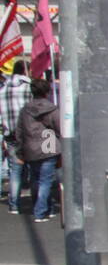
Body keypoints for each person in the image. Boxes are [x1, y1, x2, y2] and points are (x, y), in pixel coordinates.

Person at [16, 77, 59, 223]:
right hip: (49, 146)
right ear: (47, 92)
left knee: (35, 179)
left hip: (30, 148)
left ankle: (46, 207)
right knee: (46, 180)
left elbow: (19, 132)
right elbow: (60, 129)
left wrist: (19, 152)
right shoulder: (52, 109)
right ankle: (41, 211)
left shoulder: (25, 110)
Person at [1, 59, 31, 213]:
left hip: (10, 134)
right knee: (35, 167)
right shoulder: (28, 88)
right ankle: (39, 203)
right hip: (29, 133)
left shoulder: (2, 90)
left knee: (15, 170)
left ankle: (14, 205)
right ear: (25, 71)